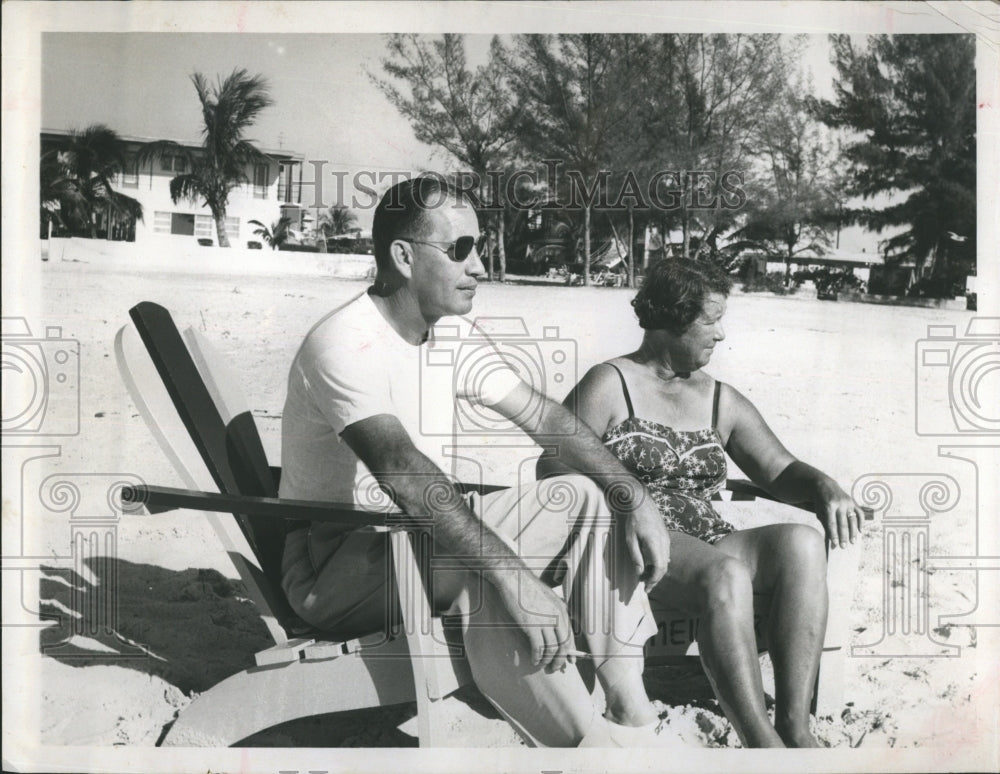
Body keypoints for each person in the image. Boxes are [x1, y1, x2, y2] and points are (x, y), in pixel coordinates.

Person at [278, 176, 674, 747]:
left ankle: (631, 712)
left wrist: (631, 493)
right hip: (332, 562)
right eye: (461, 248)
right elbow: (402, 471)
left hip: (404, 536)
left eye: (479, 246)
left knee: (587, 498)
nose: (481, 265)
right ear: (404, 257)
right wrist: (519, 581)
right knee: (482, 565)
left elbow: (545, 419)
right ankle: (584, 745)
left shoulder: (449, 333)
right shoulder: (344, 344)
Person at [539, 257, 864, 748]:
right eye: (711, 320)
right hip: (634, 550)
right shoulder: (611, 383)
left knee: (801, 541)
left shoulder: (719, 398)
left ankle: (794, 726)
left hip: (708, 542)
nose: (722, 334)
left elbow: (777, 469)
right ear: (674, 317)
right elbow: (551, 465)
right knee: (726, 574)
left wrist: (823, 486)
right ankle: (761, 744)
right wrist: (623, 493)